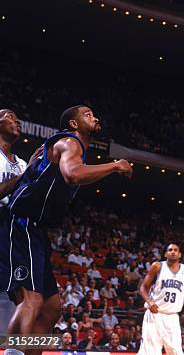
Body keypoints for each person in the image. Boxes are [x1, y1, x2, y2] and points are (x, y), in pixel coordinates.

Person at [0, 105, 132, 355]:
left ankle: (27, 352)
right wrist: (114, 166)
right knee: (32, 300)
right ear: (73, 124)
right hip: (21, 222)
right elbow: (73, 175)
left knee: (51, 307)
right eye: (88, 114)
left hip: (36, 229)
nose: (95, 117)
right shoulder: (69, 142)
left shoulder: (73, 150)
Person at [0, 109, 41, 341]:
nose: (17, 121)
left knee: (27, 300)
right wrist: (24, 178)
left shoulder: (23, 163)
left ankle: (16, 348)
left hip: (16, 234)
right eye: (10, 116)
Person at [137, 243, 184, 355]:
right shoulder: (157, 266)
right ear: (165, 254)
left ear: (180, 254)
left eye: (175, 250)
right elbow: (143, 288)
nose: (173, 252)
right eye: (170, 250)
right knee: (150, 351)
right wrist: (149, 301)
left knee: (176, 351)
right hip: (155, 314)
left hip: (172, 316)